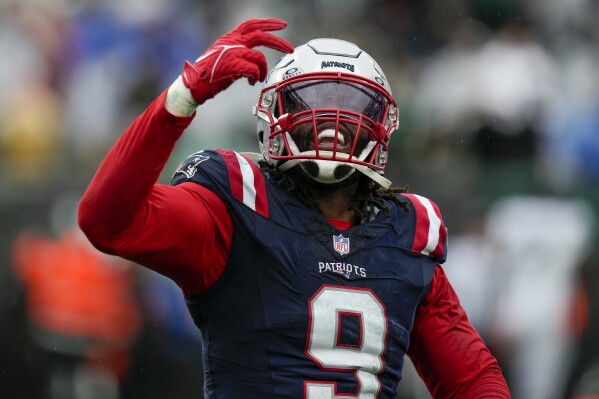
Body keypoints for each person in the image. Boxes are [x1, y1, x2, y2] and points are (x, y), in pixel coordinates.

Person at [78, 18, 511, 398]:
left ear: (382, 125)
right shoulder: (236, 206)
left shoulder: (407, 231)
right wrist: (181, 97)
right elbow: (106, 222)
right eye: (313, 103)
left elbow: (471, 381)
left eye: (351, 106)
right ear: (273, 115)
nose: (332, 124)